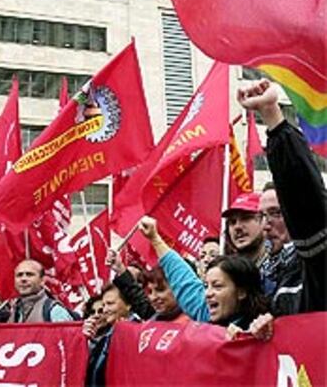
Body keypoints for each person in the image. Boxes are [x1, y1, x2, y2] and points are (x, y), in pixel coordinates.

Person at [238, 79, 327, 314]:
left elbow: (305, 197)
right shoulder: (269, 277)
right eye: (262, 216)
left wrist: (272, 118)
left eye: (277, 212)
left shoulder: (318, 263)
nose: (267, 224)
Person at [139, 217, 270, 331]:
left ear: (241, 292)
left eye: (217, 286)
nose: (207, 294)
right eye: (206, 286)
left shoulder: (261, 329)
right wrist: (154, 239)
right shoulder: (206, 315)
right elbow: (184, 281)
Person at [84, 283, 140, 387]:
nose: (105, 310)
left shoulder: (138, 335)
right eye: (104, 305)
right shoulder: (106, 337)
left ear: (128, 305)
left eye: (110, 304)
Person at [8, 259, 74, 323]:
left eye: (29, 274)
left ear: (42, 280)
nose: (23, 279)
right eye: (19, 275)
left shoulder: (55, 311)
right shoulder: (12, 311)